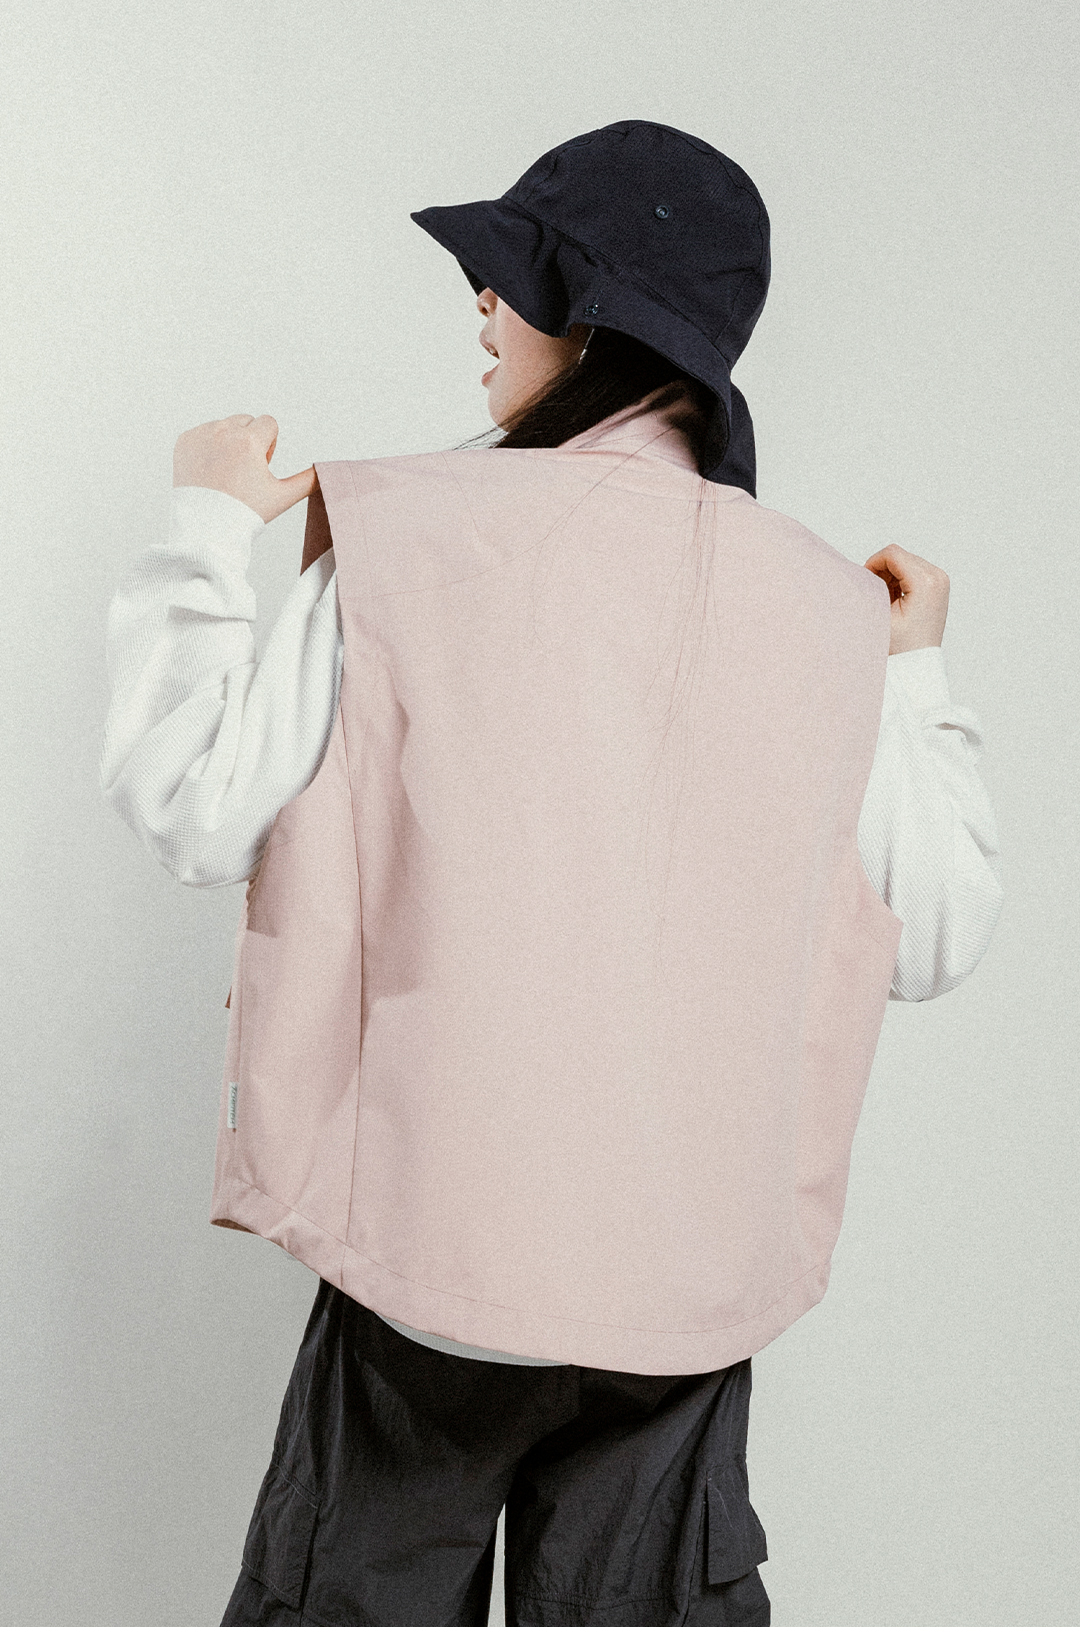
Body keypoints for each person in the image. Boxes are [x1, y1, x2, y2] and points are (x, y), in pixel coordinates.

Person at [100, 122, 1003, 1627]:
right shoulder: (828, 608)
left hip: (426, 1272)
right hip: (685, 1298)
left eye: (505, 278)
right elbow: (937, 935)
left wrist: (202, 524)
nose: (480, 305)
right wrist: (913, 672)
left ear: (585, 319)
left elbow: (190, 807)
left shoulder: (403, 537)